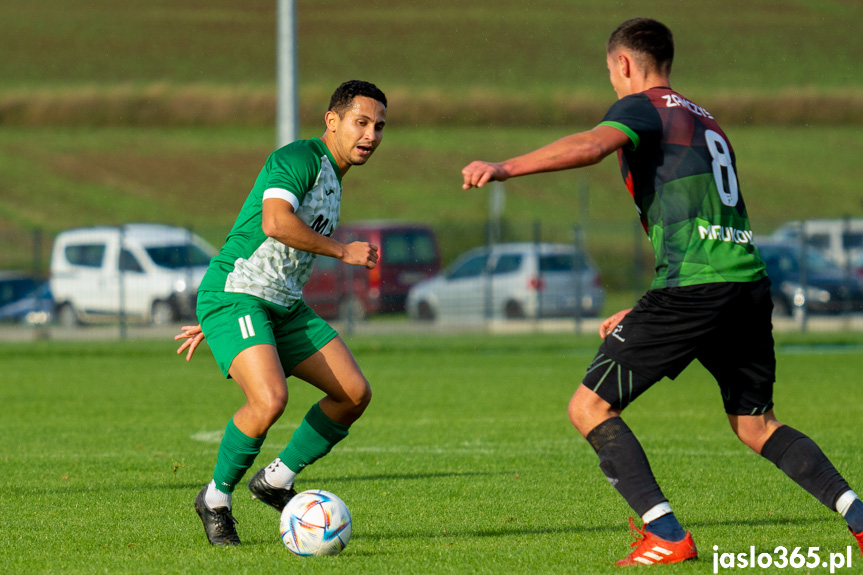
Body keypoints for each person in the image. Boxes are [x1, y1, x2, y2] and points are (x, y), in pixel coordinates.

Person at [462, 18, 863, 567]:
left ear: (623, 64)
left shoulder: (642, 106)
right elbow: (699, 222)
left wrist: (503, 167)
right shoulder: (704, 119)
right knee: (756, 424)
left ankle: (666, 534)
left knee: (589, 406)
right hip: (743, 283)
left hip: (696, 290)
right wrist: (651, 304)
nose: (611, 82)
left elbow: (590, 145)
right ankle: (860, 519)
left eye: (610, 72)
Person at [174, 80, 387, 546]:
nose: (371, 134)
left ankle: (275, 479)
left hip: (281, 306)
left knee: (353, 393)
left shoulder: (334, 178)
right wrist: (341, 251)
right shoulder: (299, 159)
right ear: (332, 121)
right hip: (240, 297)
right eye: (361, 122)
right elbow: (274, 222)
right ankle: (214, 500)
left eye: (378, 126)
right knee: (270, 400)